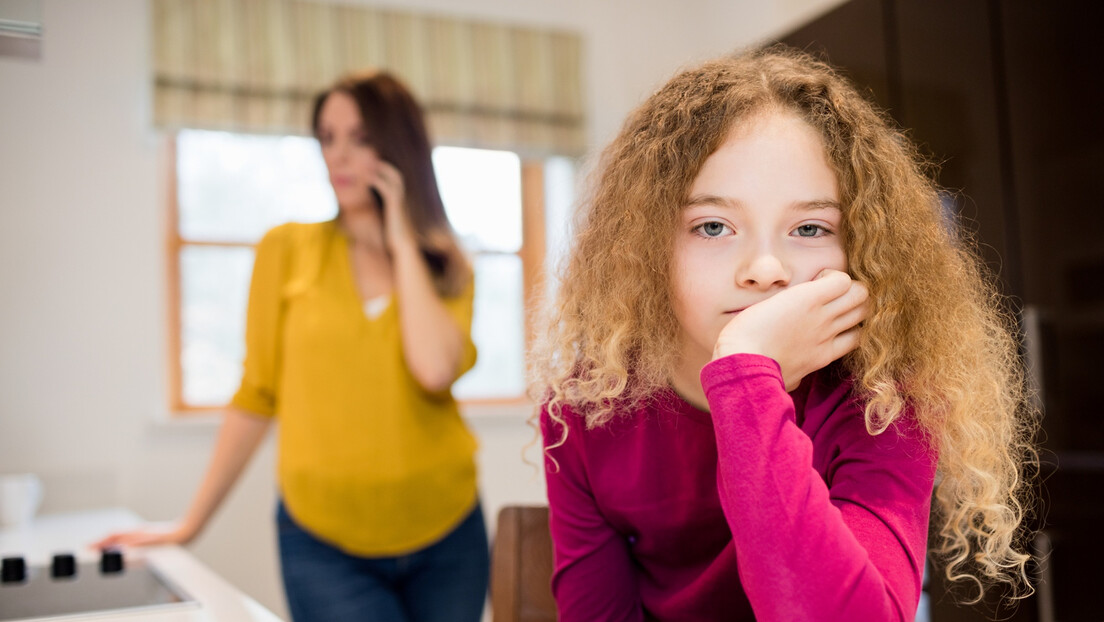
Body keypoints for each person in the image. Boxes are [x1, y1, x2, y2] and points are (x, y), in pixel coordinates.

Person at [530, 46, 1036, 621]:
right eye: (713, 226)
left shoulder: (886, 403)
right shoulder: (586, 407)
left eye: (810, 228)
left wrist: (744, 377)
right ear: (648, 248)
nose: (765, 269)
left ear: (859, 248)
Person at [95, 71, 489, 622]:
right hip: (323, 548)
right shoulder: (286, 249)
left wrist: (402, 239)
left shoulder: (445, 266)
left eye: (360, 137)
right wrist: (190, 524)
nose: (338, 155)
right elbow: (256, 395)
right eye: (327, 137)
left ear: (398, 146)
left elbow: (434, 368)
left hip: (450, 535)